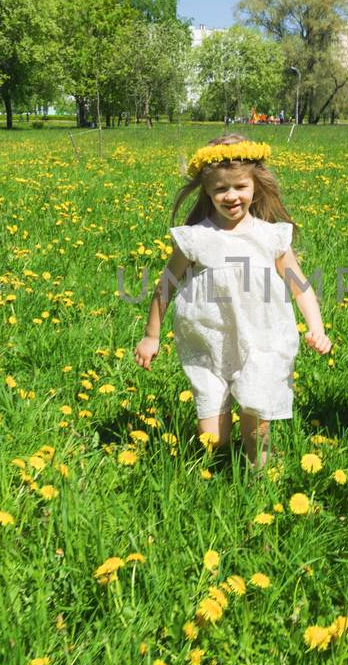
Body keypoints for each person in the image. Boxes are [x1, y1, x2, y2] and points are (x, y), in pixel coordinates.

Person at [135, 134, 332, 467]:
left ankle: (259, 481)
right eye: (220, 190)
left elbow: (301, 287)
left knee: (255, 428)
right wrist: (151, 335)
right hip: (209, 342)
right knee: (214, 439)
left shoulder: (271, 237)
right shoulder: (196, 238)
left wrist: (317, 327)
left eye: (240, 186)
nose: (231, 196)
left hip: (261, 341)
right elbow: (165, 286)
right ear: (207, 192)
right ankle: (209, 475)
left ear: (256, 184)